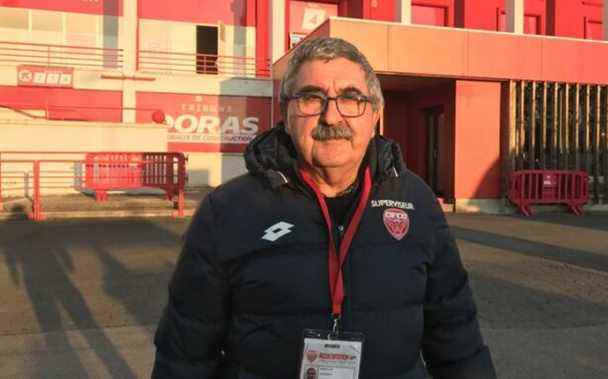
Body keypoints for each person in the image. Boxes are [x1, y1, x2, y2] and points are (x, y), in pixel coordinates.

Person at [152, 37, 496, 378]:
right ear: (286, 114)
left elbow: (456, 337)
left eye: (351, 98)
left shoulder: (416, 201)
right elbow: (185, 355)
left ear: (375, 114)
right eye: (312, 98)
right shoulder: (227, 210)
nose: (331, 116)